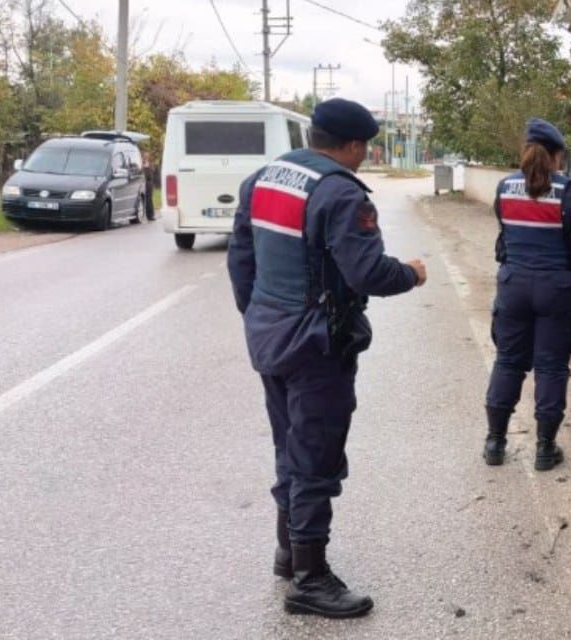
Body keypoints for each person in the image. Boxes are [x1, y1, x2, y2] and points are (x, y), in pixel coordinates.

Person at [226, 97, 427, 618]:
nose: (365, 157)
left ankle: (288, 552)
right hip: (316, 343)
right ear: (354, 146)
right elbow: (368, 273)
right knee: (315, 454)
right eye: (366, 149)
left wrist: (257, 315)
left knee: (288, 443)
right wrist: (411, 273)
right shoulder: (340, 193)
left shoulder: (263, 179)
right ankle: (310, 580)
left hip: (269, 335)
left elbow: (241, 258)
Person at [483, 118, 571, 471]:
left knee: (508, 361)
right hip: (557, 290)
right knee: (551, 367)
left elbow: (505, 229)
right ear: (556, 156)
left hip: (514, 286)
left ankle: (495, 443)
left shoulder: (504, 188)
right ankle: (544, 449)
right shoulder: (568, 191)